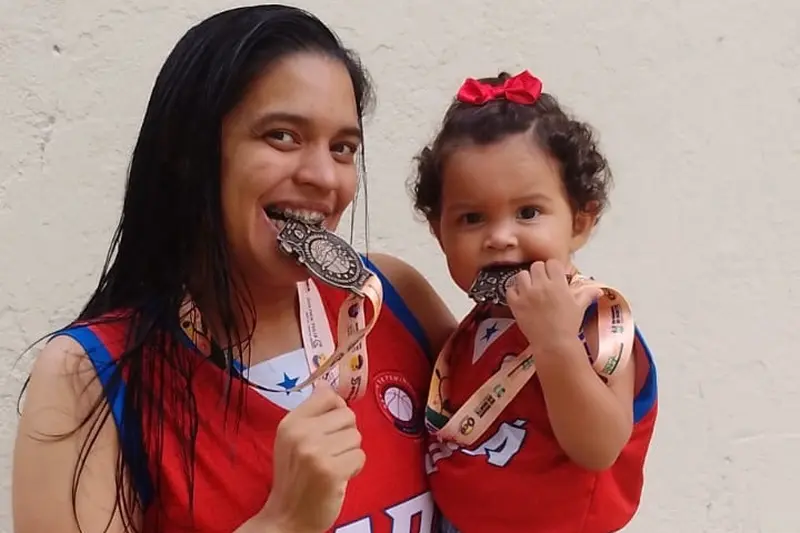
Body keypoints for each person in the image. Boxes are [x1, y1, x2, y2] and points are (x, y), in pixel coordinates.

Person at [12, 6, 455, 533]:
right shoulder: (88, 377)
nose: (322, 177)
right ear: (189, 152)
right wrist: (282, 521)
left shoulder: (390, 298)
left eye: (342, 148)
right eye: (282, 136)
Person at [409, 70, 658, 532]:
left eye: (528, 212)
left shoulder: (595, 320)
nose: (500, 238)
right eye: (471, 218)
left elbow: (600, 447)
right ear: (438, 232)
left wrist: (555, 343)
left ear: (581, 222)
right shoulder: (470, 331)